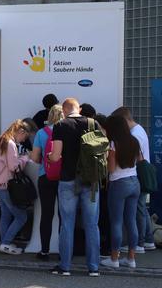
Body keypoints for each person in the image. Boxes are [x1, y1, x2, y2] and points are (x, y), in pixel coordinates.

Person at [48, 98, 101, 277]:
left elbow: (55, 156)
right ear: (79, 109)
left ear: (64, 110)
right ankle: (93, 267)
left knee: (67, 224)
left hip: (68, 180)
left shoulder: (61, 126)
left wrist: (49, 157)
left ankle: (65, 267)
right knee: (92, 224)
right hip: (91, 181)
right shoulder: (94, 124)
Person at [111, 106, 157, 252]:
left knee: (138, 211)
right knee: (140, 209)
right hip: (136, 177)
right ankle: (147, 240)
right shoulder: (139, 130)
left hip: (130, 176)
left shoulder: (133, 135)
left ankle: (140, 243)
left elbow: (121, 162)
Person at [100, 115, 141, 269]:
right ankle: (131, 259)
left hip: (119, 183)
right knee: (131, 221)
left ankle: (114, 258)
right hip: (134, 182)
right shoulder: (134, 141)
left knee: (116, 222)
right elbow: (139, 159)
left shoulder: (113, 144)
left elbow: (110, 169)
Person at [30, 104, 64, 260]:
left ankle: (44, 251)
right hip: (64, 177)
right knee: (64, 215)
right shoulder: (67, 131)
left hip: (46, 176)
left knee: (47, 214)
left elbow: (36, 158)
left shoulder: (41, 133)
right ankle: (64, 251)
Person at [0, 119, 32, 255]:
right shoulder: (10, 144)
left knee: (6, 215)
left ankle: (4, 242)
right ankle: (6, 243)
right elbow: (14, 167)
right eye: (24, 136)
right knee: (22, 217)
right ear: (21, 131)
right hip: (7, 185)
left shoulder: (1, 140)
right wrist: (25, 158)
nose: (23, 140)